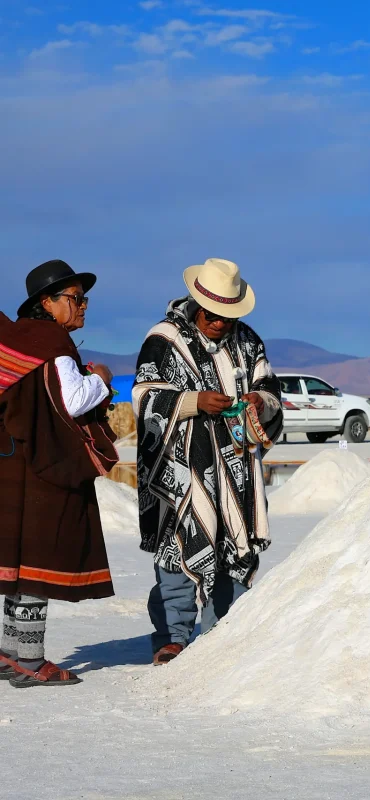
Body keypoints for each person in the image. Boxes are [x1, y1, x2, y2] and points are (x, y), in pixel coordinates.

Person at [133, 258, 283, 665]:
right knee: (180, 545)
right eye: (213, 315)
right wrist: (192, 402)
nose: (220, 323)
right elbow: (145, 398)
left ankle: (225, 633)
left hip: (235, 467)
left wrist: (260, 401)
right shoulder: (164, 340)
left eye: (227, 316)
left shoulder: (248, 341)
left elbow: (269, 387)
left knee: (232, 546)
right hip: (180, 468)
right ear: (196, 304)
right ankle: (172, 635)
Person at [0, 260, 118, 687]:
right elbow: (71, 400)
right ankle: (30, 662)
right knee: (38, 561)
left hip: (11, 461)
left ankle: (9, 653)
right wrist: (101, 380)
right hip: (43, 468)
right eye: (75, 298)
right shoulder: (50, 341)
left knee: (16, 560)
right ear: (46, 303)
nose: (83, 306)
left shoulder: (15, 341)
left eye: (83, 298)